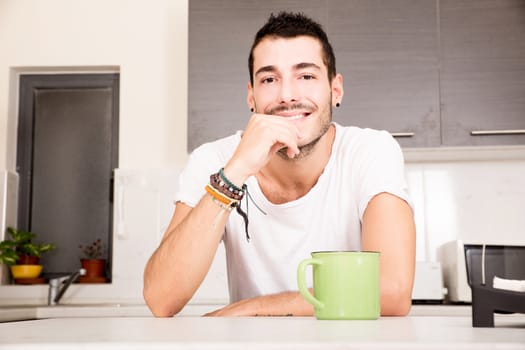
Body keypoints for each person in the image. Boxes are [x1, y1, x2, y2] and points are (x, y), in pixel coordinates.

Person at [143, 11, 416, 317]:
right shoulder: (214, 161)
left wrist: (251, 308)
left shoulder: (371, 151)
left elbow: (391, 291)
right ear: (251, 96)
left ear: (335, 89)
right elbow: (161, 297)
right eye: (270, 79)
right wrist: (235, 173)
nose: (287, 96)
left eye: (306, 76)